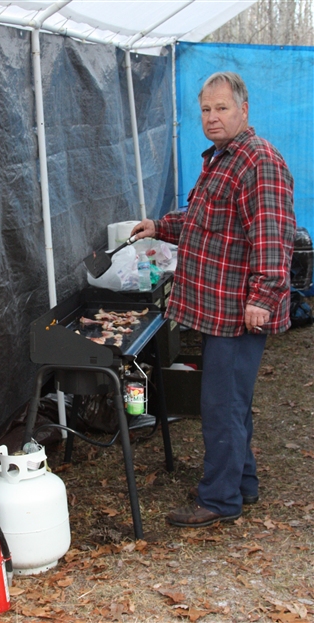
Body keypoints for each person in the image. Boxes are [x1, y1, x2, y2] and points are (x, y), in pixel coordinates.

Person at [132, 72, 296, 527]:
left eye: (221, 108)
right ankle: (242, 483)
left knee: (221, 405)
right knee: (231, 401)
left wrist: (263, 296)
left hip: (239, 312)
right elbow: (206, 223)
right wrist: (160, 227)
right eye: (205, 109)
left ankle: (220, 500)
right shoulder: (223, 159)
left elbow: (272, 238)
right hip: (219, 308)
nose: (212, 117)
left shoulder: (258, 161)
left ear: (244, 110)